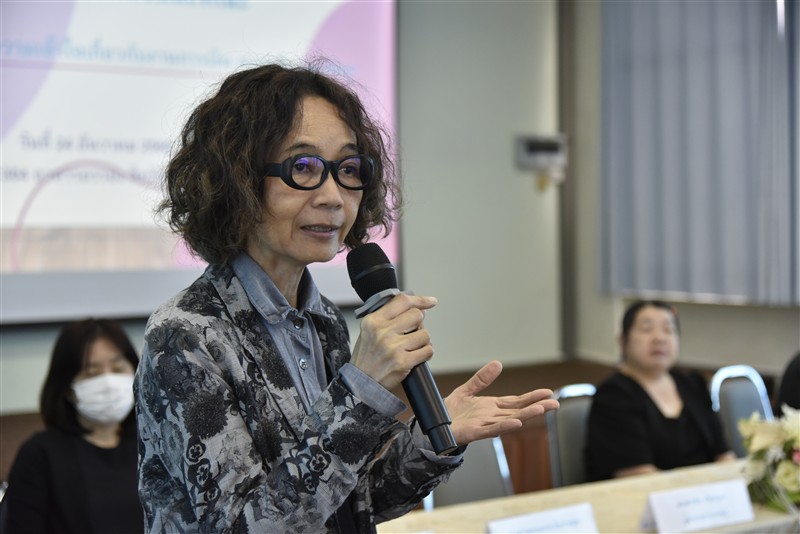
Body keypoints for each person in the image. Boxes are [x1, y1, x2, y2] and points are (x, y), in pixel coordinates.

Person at [134, 61, 559, 533]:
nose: (334, 197)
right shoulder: (185, 337)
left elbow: (351, 501)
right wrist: (359, 388)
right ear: (237, 181)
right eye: (303, 167)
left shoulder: (324, 321)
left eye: (349, 169)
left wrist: (436, 438)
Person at [3, 318, 144, 534]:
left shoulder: (154, 446)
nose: (108, 383)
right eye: (91, 373)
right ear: (67, 388)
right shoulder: (40, 454)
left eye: (118, 368)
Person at [584, 300, 734, 481]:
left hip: (706, 492)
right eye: (647, 329)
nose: (659, 338)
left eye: (668, 330)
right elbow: (639, 476)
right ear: (623, 341)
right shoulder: (613, 396)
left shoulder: (693, 385)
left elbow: (723, 454)